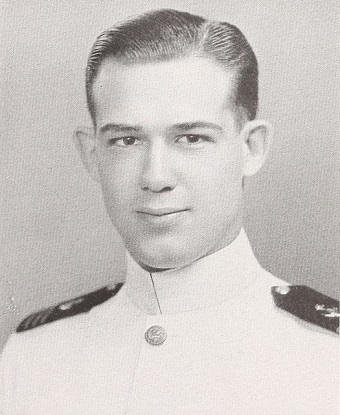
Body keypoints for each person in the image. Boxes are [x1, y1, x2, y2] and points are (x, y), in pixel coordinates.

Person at [0, 9, 338, 415]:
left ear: (251, 148)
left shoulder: (326, 357)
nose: (155, 177)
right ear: (92, 155)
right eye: (126, 140)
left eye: (191, 137)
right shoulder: (33, 357)